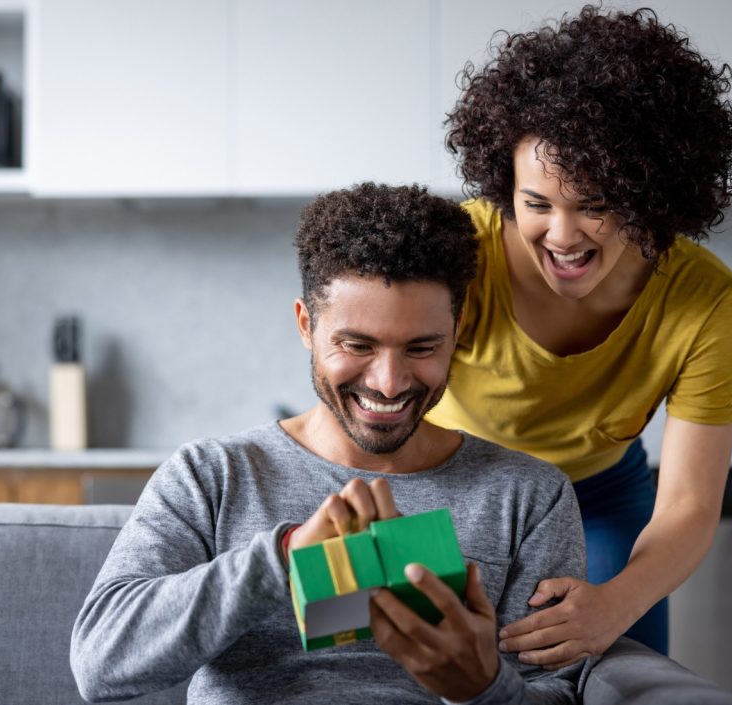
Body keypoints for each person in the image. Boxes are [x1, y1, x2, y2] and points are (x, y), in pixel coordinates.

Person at [70, 183, 590, 704]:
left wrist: (479, 689)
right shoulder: (212, 476)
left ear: (456, 330)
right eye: (357, 345)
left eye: (422, 347)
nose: (389, 382)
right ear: (306, 325)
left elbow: (558, 694)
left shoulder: (528, 497)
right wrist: (283, 559)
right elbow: (101, 664)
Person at [426, 5, 732, 667]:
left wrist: (614, 604)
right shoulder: (458, 254)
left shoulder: (706, 300)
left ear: (649, 194)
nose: (563, 236)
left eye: (596, 205)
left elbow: (691, 501)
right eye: (537, 204)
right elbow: (379, 389)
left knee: (616, 671)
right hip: (452, 486)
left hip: (598, 497)